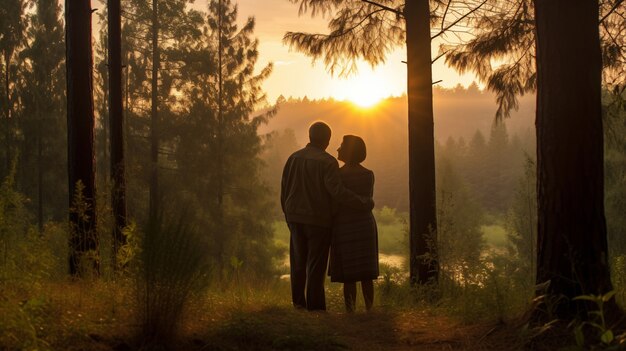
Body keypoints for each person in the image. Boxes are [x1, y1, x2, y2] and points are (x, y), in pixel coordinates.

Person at [281, 122, 373, 311]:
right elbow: (337, 192)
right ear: (327, 140)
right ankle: (315, 308)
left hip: (295, 217)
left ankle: (298, 304)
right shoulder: (327, 162)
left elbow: (284, 189)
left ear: (310, 136)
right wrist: (363, 202)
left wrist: (288, 214)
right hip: (318, 220)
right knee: (315, 264)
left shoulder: (293, 158)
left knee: (298, 262)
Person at [328, 135, 379, 312]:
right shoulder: (368, 174)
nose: (338, 149)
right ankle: (369, 310)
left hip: (344, 225)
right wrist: (365, 204)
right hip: (365, 224)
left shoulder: (338, 175)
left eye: (341, 146)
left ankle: (350, 312)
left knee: (348, 274)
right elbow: (368, 200)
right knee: (366, 272)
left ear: (349, 151)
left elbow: (335, 201)